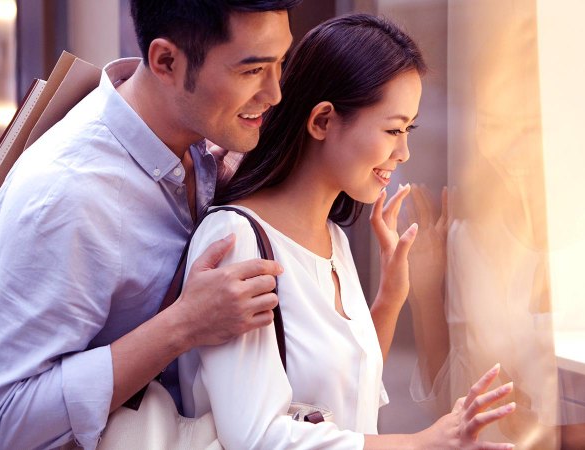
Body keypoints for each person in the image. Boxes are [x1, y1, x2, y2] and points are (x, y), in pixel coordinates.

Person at [178, 13, 517, 449]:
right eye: (393, 129)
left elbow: (347, 394)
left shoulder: (332, 238)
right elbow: (257, 437)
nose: (404, 152)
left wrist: (392, 298)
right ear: (322, 121)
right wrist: (424, 443)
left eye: (408, 130)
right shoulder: (237, 240)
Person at [0, 1, 301, 448]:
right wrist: (183, 326)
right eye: (251, 71)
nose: (275, 93)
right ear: (166, 61)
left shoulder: (203, 143)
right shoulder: (66, 193)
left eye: (279, 63)